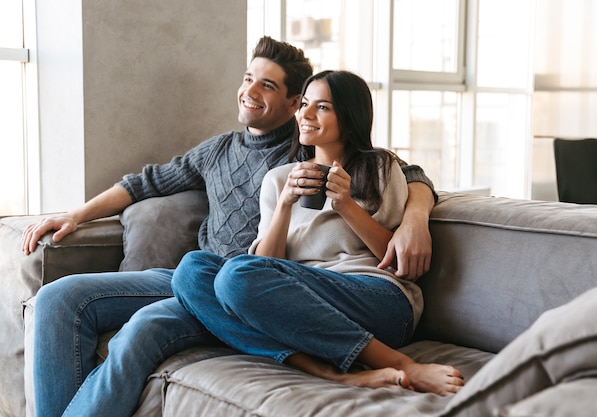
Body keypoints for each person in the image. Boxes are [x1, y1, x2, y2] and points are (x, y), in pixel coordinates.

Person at [22, 37, 437, 417]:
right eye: (248, 79)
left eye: (268, 87)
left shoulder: (343, 158)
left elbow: (408, 171)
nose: (251, 93)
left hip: (264, 282)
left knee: (150, 324)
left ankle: (355, 367)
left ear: (293, 103)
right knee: (56, 298)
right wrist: (76, 214)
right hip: (212, 277)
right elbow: (146, 182)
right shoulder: (232, 155)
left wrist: (416, 215)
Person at [172, 70, 464, 395]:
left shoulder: (379, 168)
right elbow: (260, 268)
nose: (306, 115)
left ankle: (403, 364)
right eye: (305, 104)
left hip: (378, 299)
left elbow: (395, 262)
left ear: (349, 116)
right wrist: (284, 203)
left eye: (322, 107)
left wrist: (346, 206)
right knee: (192, 270)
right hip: (304, 306)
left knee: (235, 275)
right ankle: (333, 374)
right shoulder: (278, 179)